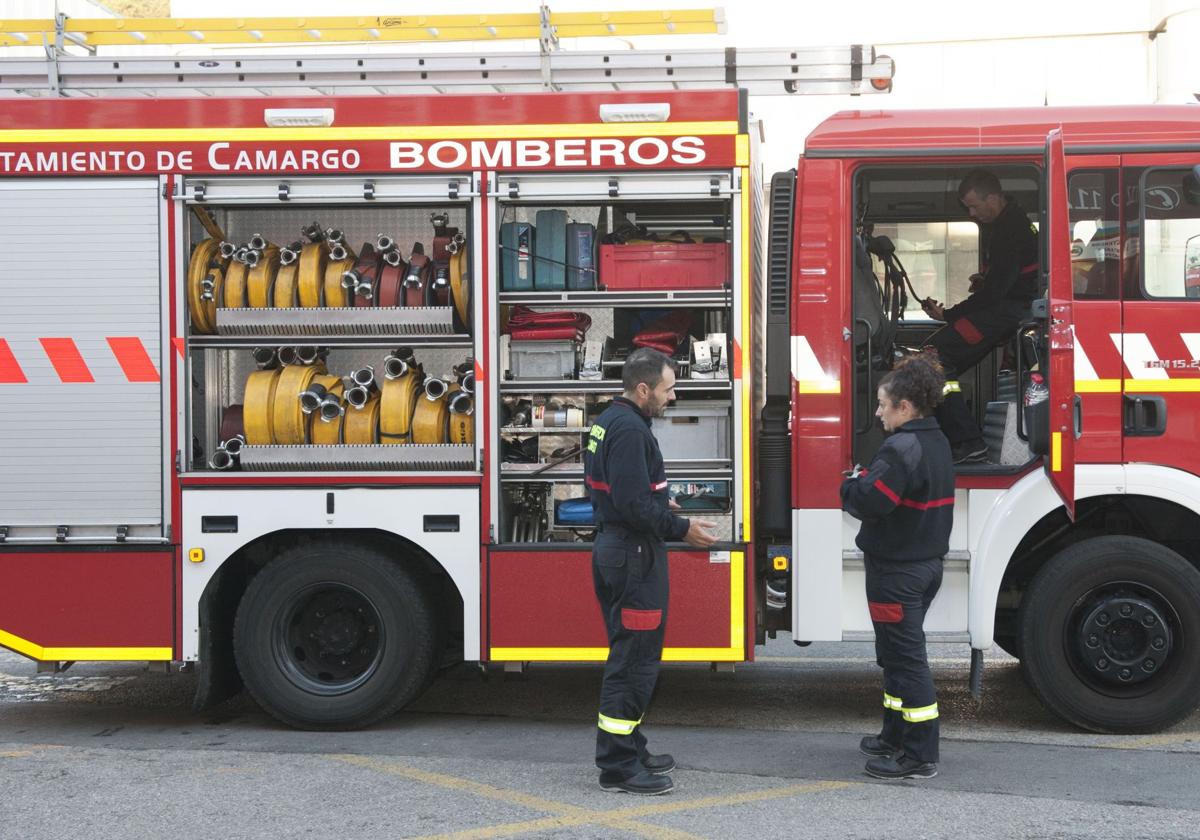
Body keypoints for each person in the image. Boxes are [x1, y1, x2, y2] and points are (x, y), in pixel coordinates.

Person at [584, 347, 718, 795]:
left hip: (620, 548)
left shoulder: (610, 422)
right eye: (668, 389)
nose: (672, 397)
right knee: (635, 660)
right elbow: (633, 505)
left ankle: (630, 745)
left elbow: (628, 494)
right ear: (643, 389)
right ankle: (618, 766)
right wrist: (682, 527)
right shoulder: (629, 432)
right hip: (633, 554)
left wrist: (660, 503)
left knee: (631, 653)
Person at [840, 352, 955, 780]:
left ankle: (920, 755)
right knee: (893, 655)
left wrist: (849, 485)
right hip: (923, 568)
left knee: (905, 661)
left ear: (904, 408)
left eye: (883, 405)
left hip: (897, 573)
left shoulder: (900, 446)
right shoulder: (935, 439)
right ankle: (894, 735)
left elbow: (872, 501)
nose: (877, 412)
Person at [921, 169, 1039, 463]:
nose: (972, 214)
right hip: (1011, 309)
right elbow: (1005, 279)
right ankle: (962, 438)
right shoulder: (1010, 223)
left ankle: (967, 442)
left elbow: (995, 294)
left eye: (974, 206)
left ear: (994, 197)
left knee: (933, 357)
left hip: (1008, 313)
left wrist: (949, 314)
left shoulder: (1009, 230)